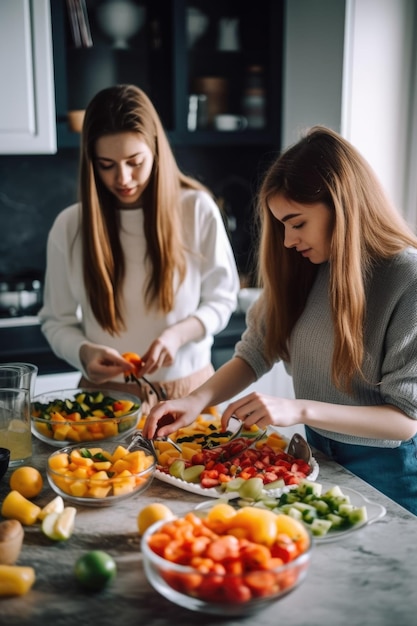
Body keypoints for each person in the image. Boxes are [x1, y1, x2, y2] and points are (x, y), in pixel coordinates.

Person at [143, 125, 417, 514]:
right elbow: (255, 353)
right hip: (318, 454)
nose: (288, 240)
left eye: (298, 222)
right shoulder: (305, 267)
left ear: (342, 206)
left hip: (389, 470)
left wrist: (298, 408)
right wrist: (193, 401)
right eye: (282, 225)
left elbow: (405, 420)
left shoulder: (408, 279)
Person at [39, 84, 240, 412]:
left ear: (156, 150)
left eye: (135, 161)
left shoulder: (197, 209)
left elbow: (222, 298)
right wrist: (82, 351)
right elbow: (55, 320)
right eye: (106, 164)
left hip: (191, 394)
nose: (123, 178)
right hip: (104, 402)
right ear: (91, 162)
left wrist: (177, 335)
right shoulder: (69, 226)